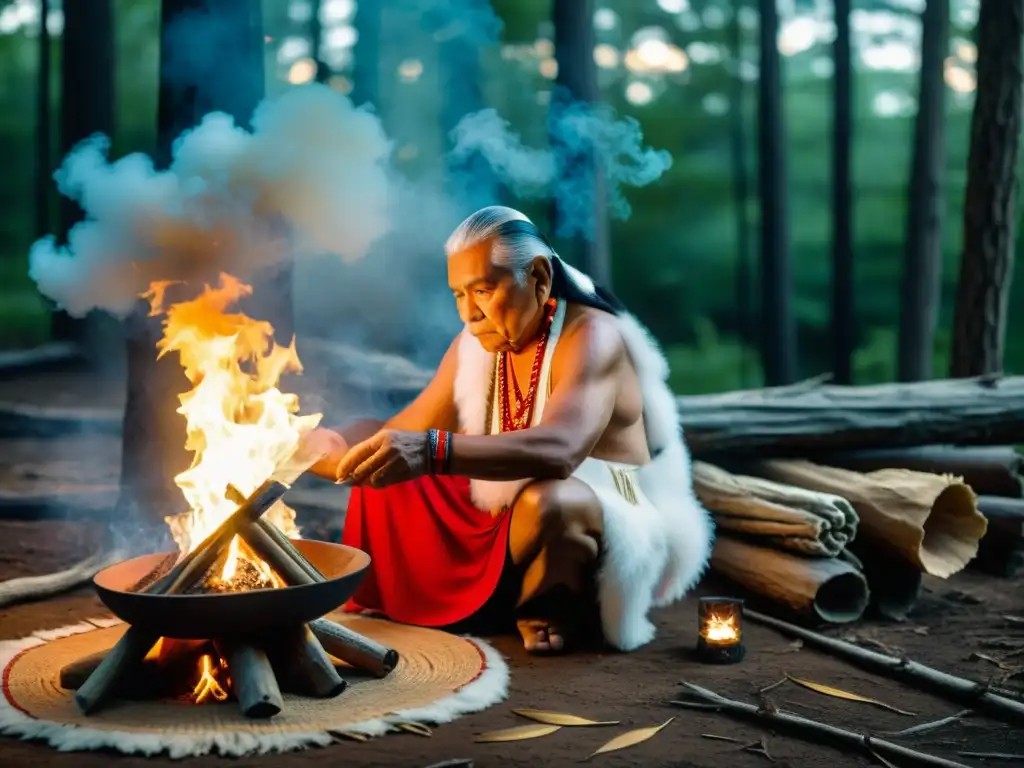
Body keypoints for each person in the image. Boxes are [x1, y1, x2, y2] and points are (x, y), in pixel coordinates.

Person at [306, 205, 713, 654]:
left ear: (538, 278)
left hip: (613, 497)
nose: (469, 313)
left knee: (549, 501)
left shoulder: (592, 334)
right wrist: (332, 444)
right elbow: (407, 429)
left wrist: (430, 451)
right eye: (458, 294)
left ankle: (550, 607)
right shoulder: (478, 342)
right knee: (383, 458)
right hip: (506, 491)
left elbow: (562, 450)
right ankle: (480, 603)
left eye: (482, 289)